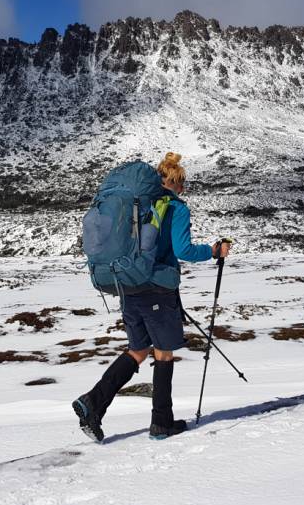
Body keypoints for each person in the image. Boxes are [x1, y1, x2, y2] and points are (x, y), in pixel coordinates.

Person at [74, 152, 230, 441]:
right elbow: (183, 251)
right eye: (183, 183)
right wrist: (211, 251)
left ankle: (92, 403)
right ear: (176, 182)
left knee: (138, 350)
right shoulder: (176, 209)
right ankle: (161, 423)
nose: (184, 189)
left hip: (128, 284)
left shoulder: (141, 206)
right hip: (156, 287)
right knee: (163, 352)